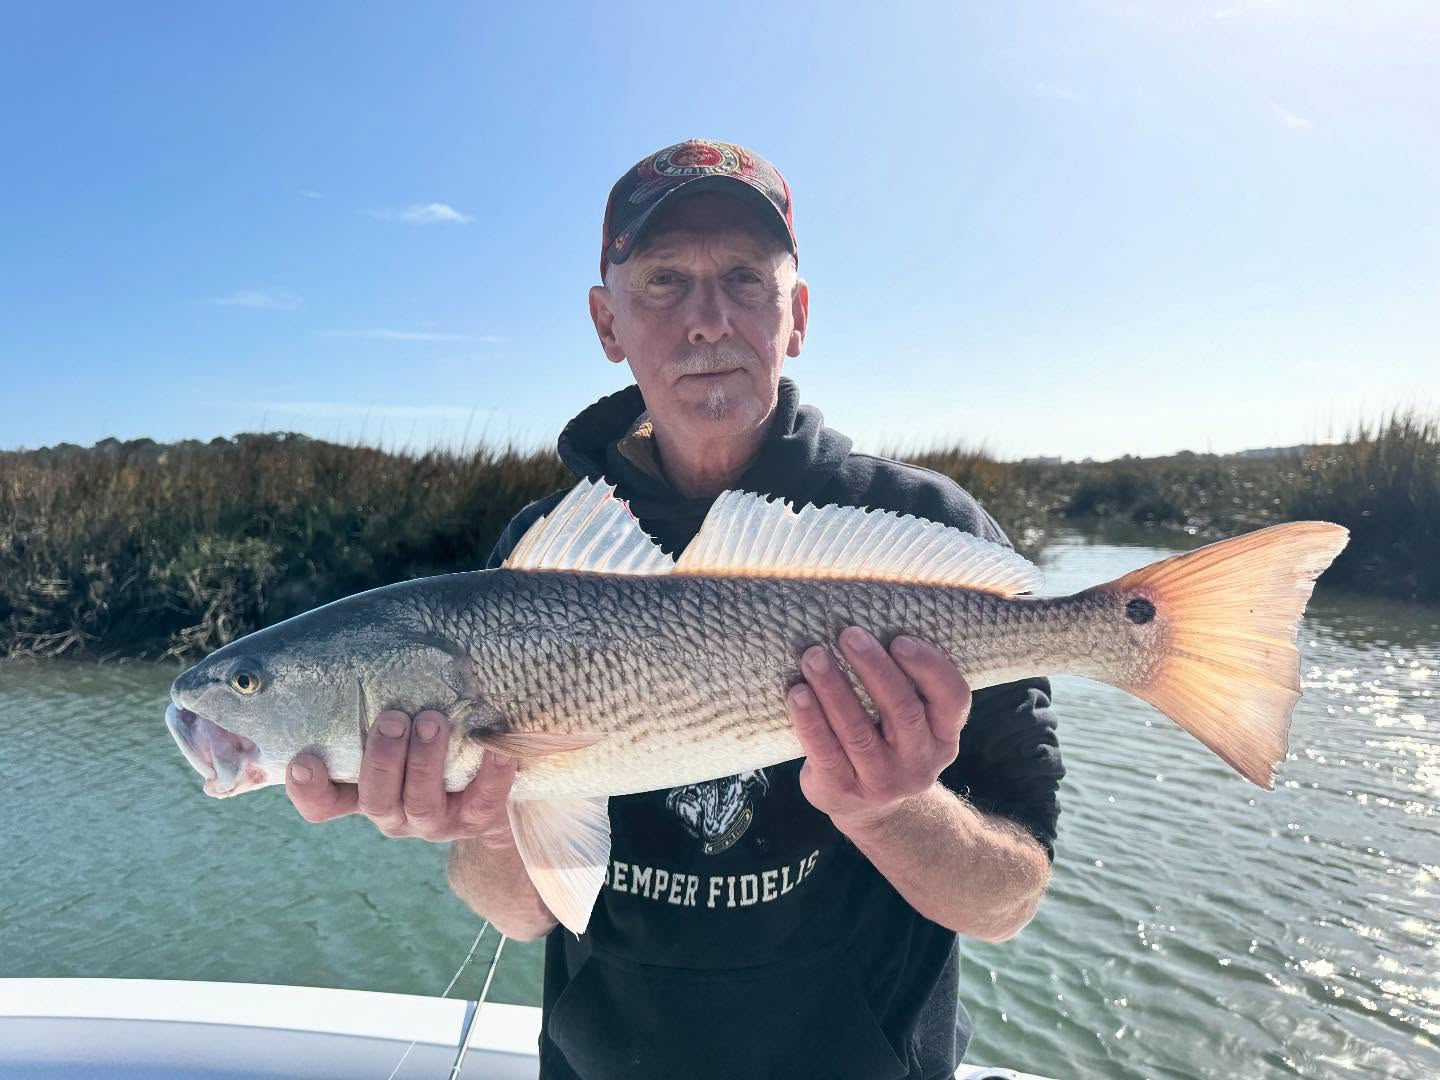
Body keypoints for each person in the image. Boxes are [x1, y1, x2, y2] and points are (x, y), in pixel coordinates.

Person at [285, 138, 1065, 1079]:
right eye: (662, 281)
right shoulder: (535, 562)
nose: (708, 321)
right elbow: (524, 909)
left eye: (744, 278)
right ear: (607, 320)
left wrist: (893, 809)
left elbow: (1009, 902)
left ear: (798, 314)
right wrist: (490, 820)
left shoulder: (929, 529)